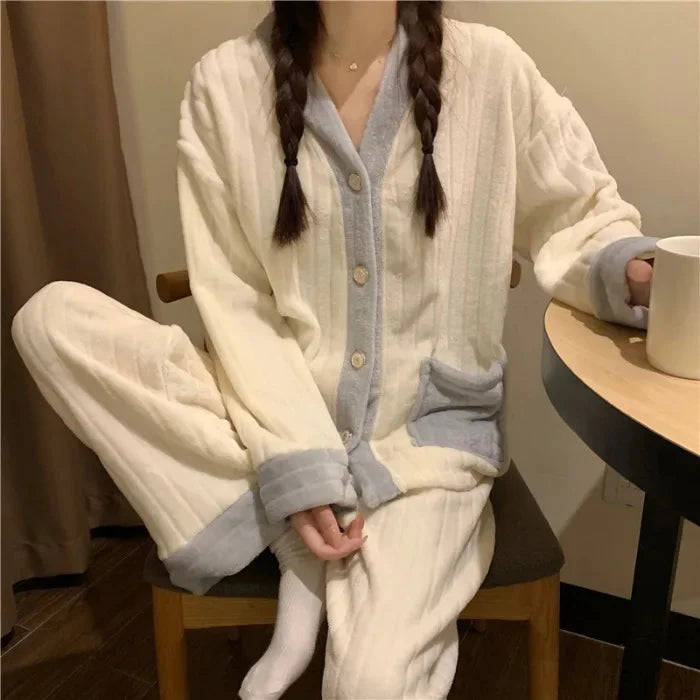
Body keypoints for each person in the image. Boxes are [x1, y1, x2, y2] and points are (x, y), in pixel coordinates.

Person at [12, 1, 657, 698]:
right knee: (51, 321)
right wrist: (296, 457)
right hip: (265, 413)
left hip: (421, 447)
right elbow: (235, 299)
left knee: (372, 685)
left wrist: (634, 272)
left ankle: (299, 538)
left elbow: (579, 212)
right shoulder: (224, 86)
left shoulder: (490, 71)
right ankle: (298, 539)